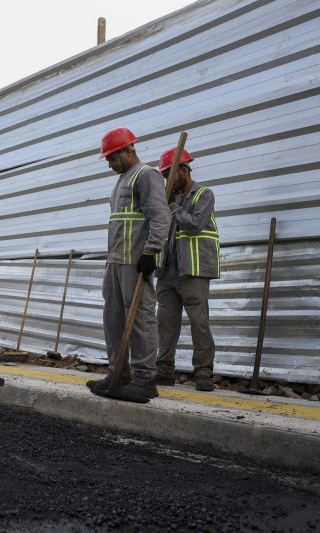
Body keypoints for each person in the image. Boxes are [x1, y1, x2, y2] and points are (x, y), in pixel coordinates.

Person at [87, 128, 171, 401]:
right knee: (113, 318)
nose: (110, 164)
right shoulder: (122, 180)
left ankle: (145, 379)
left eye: (112, 158)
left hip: (135, 261)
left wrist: (151, 251)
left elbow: (160, 216)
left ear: (128, 151)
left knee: (141, 320)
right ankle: (118, 373)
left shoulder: (146, 175)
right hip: (116, 260)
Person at [154, 148, 220, 392]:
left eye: (169, 175)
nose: (166, 181)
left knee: (199, 323)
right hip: (167, 271)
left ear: (184, 170)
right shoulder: (166, 199)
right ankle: (163, 370)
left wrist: (171, 207)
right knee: (165, 323)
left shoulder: (204, 194)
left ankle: (203, 373)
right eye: (163, 176)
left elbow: (194, 225)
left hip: (193, 270)